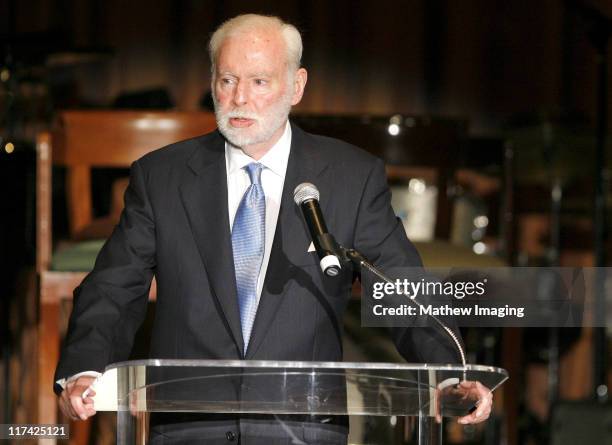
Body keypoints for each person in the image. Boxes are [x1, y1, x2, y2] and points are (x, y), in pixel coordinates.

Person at [55, 13, 492, 442]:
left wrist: (449, 374)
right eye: (227, 80)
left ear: (296, 86)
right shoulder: (162, 177)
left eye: (259, 81)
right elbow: (114, 286)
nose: (240, 97)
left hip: (303, 426)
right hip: (189, 424)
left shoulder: (349, 178)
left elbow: (401, 286)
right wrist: (85, 367)